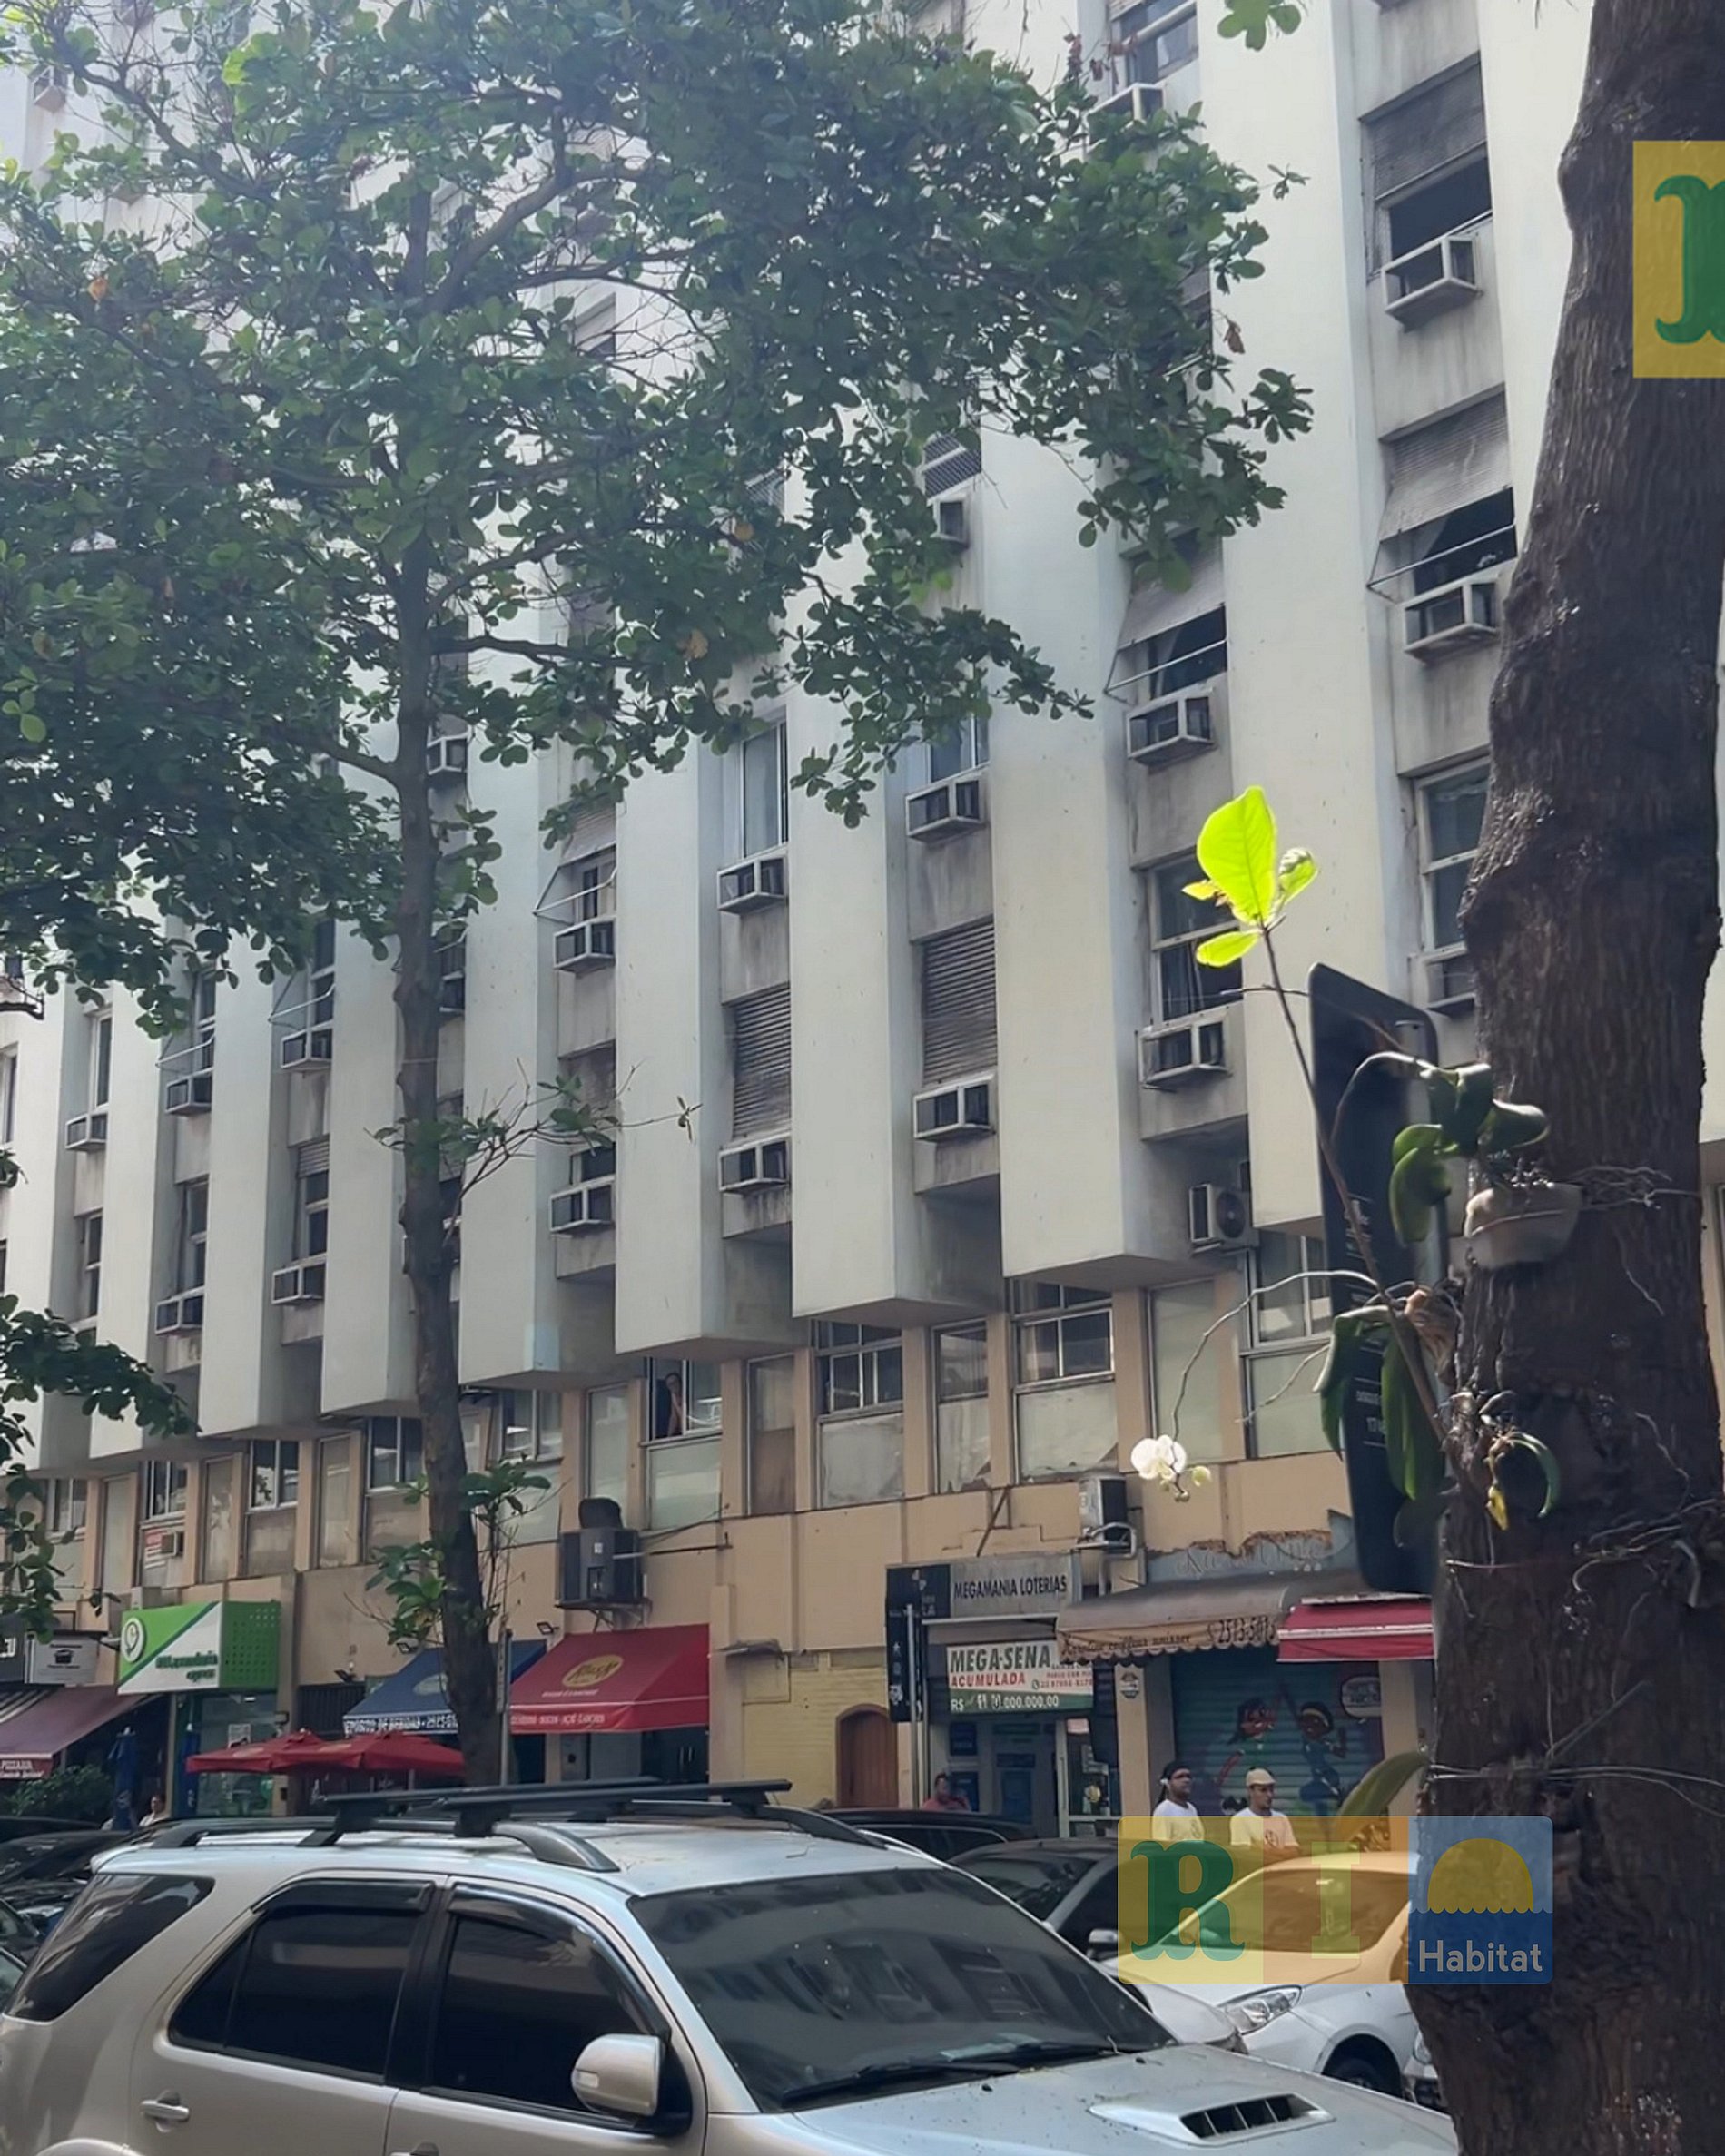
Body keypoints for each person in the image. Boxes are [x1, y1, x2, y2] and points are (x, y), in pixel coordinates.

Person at [1228, 1767, 1297, 1853]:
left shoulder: (1282, 1819)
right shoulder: (1240, 1819)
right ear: (1250, 1791)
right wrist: (1281, 1853)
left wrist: (1262, 1850)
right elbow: (1245, 1855)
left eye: (1271, 1790)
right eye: (1263, 1790)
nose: (1269, 1795)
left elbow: (1294, 1851)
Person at [1150, 1760, 1204, 1843]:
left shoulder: (1192, 1809)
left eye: (1188, 1776)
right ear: (1168, 1783)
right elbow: (1162, 1845)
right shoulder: (1164, 1810)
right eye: (1180, 1777)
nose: (1186, 1780)